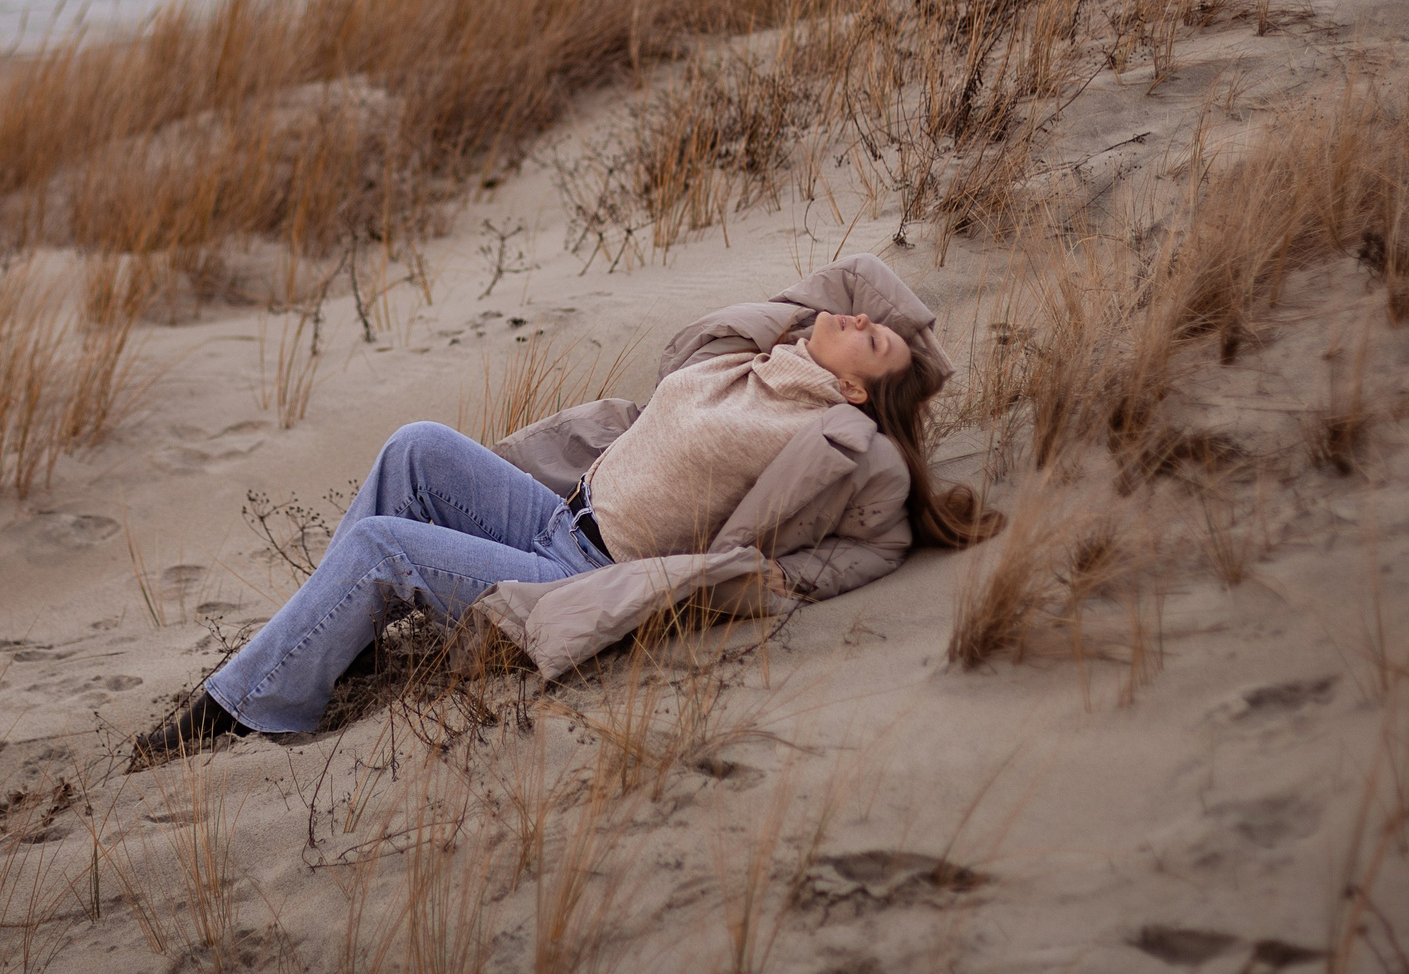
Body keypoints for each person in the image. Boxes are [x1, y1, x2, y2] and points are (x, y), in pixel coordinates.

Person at [131, 253, 998, 760]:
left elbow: (879, 540)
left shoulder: (842, 442)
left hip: (578, 571)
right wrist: (893, 326)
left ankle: (250, 706)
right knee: (416, 445)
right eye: (853, 317)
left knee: (380, 547)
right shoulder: (763, 356)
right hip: (559, 514)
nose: (849, 315)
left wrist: (774, 575)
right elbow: (837, 284)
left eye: (870, 335)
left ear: (854, 386)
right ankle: (339, 648)